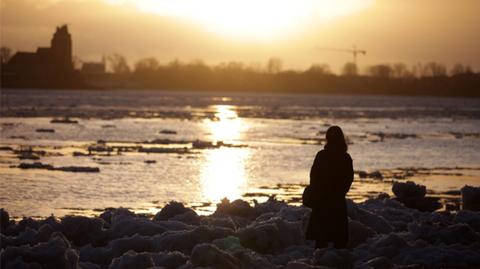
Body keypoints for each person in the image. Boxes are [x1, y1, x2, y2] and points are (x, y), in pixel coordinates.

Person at [305, 125, 354, 249]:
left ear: (328, 138)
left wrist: (318, 190)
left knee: (321, 239)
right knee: (339, 239)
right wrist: (340, 192)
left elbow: (313, 176)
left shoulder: (321, 155)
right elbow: (348, 179)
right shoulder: (345, 157)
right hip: (337, 201)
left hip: (322, 201)